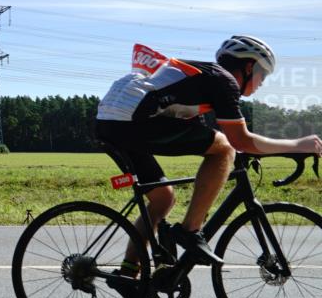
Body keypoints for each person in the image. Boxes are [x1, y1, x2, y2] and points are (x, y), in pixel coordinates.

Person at [95, 36, 322, 284]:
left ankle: (128, 275)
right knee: (224, 148)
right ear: (249, 67)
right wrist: (299, 145)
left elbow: (219, 137)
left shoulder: (200, 83)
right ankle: (189, 231)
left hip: (111, 122)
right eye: (263, 75)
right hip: (130, 120)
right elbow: (239, 141)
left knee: (163, 198)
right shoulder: (222, 80)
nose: (261, 84)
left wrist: (248, 149)